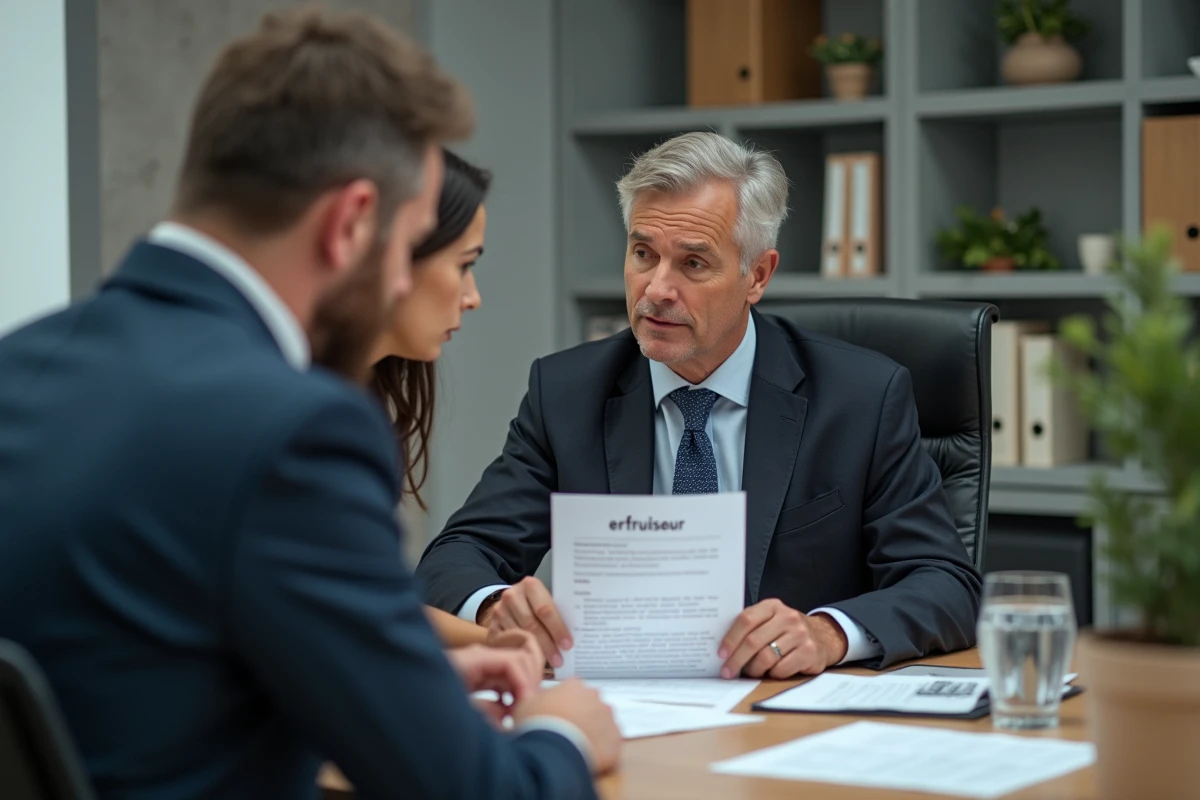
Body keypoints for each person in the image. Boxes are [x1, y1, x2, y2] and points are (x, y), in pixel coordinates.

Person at [0, 9, 618, 800]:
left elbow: (138, 664)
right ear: (351, 223)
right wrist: (563, 732)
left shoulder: (23, 362)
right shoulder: (294, 430)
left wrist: (399, 679)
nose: (406, 280)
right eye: (410, 244)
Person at [416, 131, 983, 678]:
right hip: (627, 717)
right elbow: (455, 557)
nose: (656, 289)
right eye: (643, 253)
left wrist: (828, 634)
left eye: (692, 263)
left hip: (788, 720)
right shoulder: (568, 393)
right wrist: (494, 608)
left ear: (756, 275)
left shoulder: (860, 398)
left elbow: (946, 582)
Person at [360, 147, 493, 648]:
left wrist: (497, 645)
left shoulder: (363, 400)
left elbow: (365, 605)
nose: (472, 296)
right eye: (463, 265)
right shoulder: (303, 418)